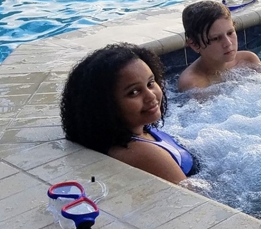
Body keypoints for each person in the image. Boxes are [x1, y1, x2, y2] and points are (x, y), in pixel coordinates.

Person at [60, 43, 198, 184]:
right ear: (105, 105)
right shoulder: (142, 153)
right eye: (134, 92)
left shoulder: (136, 130)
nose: (151, 96)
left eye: (150, 83)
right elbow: (192, 195)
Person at [178, 0, 261, 92]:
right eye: (216, 38)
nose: (228, 43)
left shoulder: (249, 60)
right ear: (195, 45)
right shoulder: (193, 83)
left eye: (230, 33)